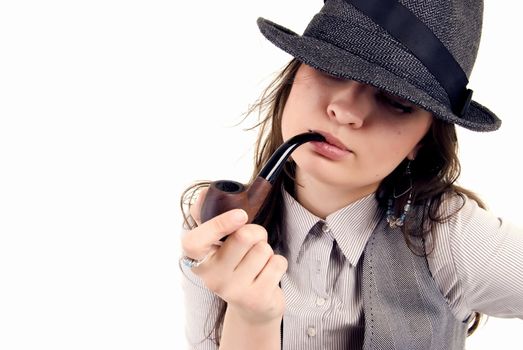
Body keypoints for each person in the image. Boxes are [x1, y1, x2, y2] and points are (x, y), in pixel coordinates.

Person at [178, 0, 523, 349]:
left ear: (423, 140)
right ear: (295, 73)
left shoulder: (451, 238)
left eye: (396, 101)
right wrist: (251, 317)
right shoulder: (216, 224)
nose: (344, 111)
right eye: (332, 69)